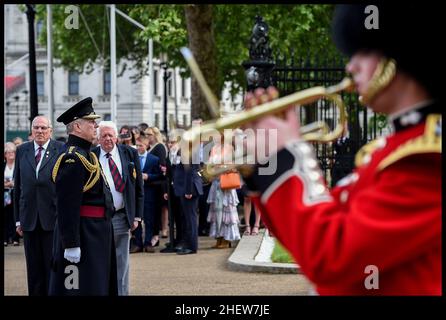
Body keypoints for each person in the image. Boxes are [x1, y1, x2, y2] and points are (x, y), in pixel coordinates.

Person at [243, 4, 441, 295]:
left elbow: (333, 257)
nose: (351, 67)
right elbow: (314, 233)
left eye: (362, 52)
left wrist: (286, 155)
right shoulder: (394, 150)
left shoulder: (425, 161)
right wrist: (264, 165)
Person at [48, 97, 117, 295]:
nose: (95, 125)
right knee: (77, 287)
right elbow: (67, 204)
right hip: (83, 233)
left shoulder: (87, 155)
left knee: (96, 285)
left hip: (95, 232)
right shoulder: (73, 158)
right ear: (77, 126)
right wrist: (71, 243)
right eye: (91, 122)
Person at [13, 116, 64, 295]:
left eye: (43, 128)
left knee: (52, 266)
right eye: (36, 128)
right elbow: (17, 187)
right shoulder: (22, 150)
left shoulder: (60, 149)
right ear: (32, 130)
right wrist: (18, 220)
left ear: (50, 130)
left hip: (52, 219)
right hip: (28, 220)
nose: (40, 131)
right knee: (33, 270)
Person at [93, 121, 144, 295]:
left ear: (116, 137)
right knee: (100, 261)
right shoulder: (91, 156)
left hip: (122, 216)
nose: (107, 138)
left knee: (122, 262)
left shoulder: (130, 153)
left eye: (110, 135)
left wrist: (137, 216)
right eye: (104, 135)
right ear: (98, 139)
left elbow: (138, 187)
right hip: (98, 217)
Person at [206, 139, 241, 248]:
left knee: (227, 210)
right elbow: (209, 165)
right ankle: (219, 237)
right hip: (216, 183)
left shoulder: (230, 148)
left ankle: (227, 238)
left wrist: (221, 168)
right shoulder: (213, 149)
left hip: (226, 183)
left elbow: (234, 167)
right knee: (216, 212)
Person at [131, 135, 163, 253]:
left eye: (141, 145)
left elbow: (160, 175)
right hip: (136, 194)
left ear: (147, 145)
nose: (138, 148)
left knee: (149, 219)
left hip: (150, 193)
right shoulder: (132, 158)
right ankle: (138, 243)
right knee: (137, 218)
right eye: (137, 145)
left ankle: (148, 243)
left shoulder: (154, 159)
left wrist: (148, 176)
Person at [173, 141, 203, 255]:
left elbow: (189, 172)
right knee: (188, 218)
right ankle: (188, 243)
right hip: (186, 187)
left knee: (191, 219)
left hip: (188, 188)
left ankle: (192, 246)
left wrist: (188, 190)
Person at [4, 142, 19, 246]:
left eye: (13, 152)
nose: (11, 154)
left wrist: (13, 183)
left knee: (15, 215)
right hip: (5, 194)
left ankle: (15, 238)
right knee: (5, 216)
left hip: (15, 193)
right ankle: (5, 238)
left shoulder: (18, 165)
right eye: (9, 152)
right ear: (5, 154)